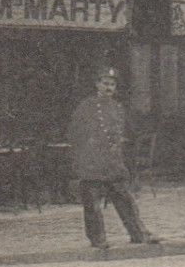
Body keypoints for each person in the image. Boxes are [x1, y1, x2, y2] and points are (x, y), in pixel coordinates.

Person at [66, 69, 159, 249]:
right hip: (91, 161)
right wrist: (84, 153)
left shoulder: (117, 107)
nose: (109, 88)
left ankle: (139, 234)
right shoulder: (86, 106)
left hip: (112, 162)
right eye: (105, 83)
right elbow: (74, 133)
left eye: (112, 84)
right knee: (92, 204)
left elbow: (122, 133)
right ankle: (98, 239)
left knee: (125, 199)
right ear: (97, 84)